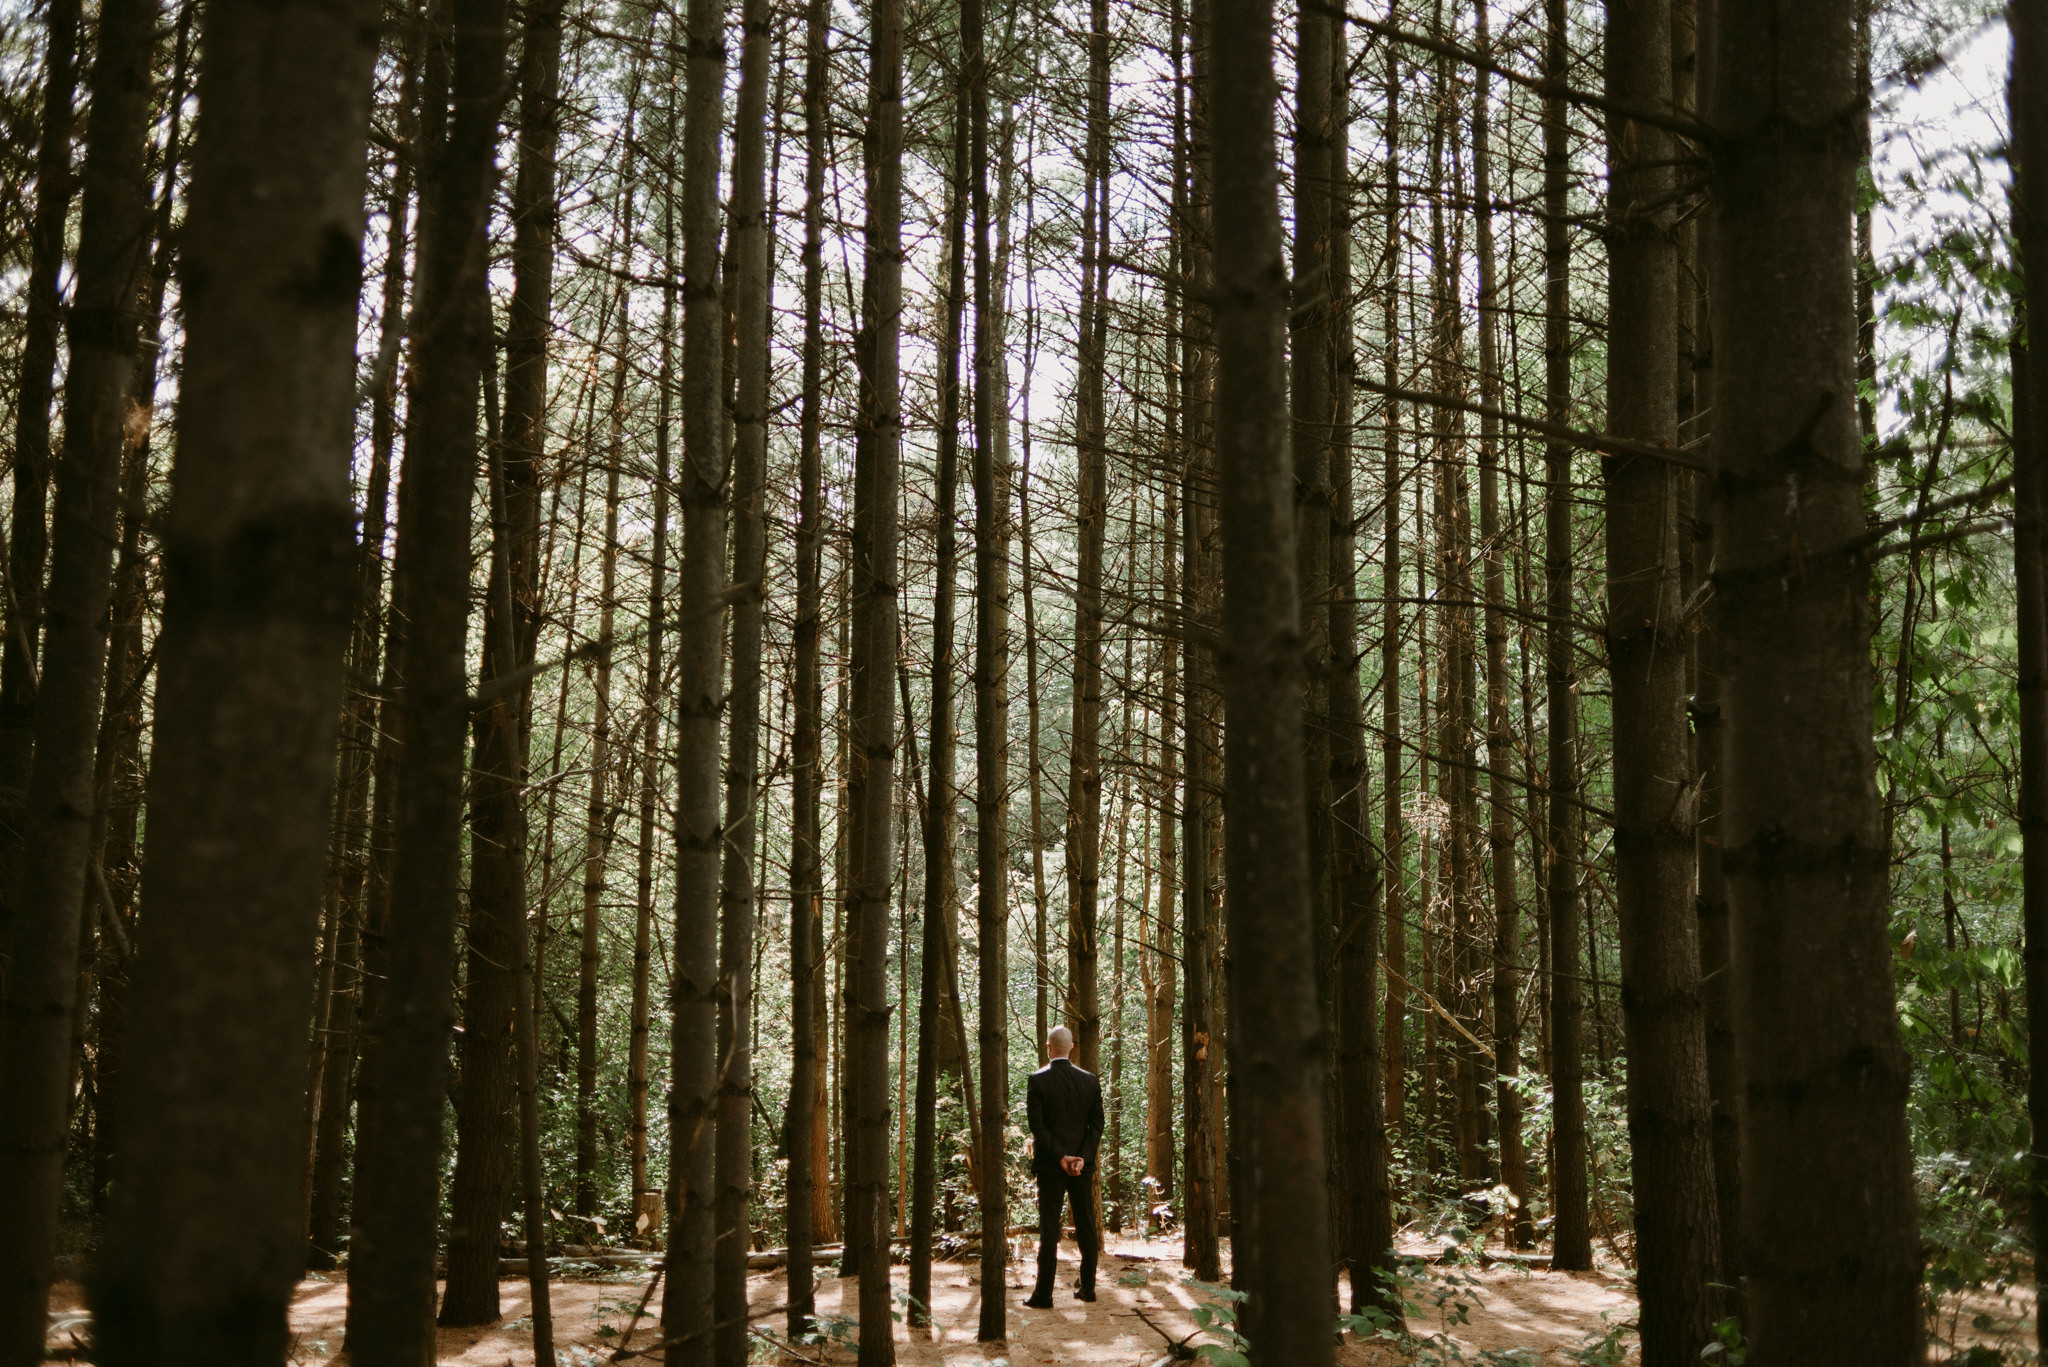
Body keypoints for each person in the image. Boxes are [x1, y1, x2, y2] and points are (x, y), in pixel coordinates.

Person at [1022, 1025, 1104, 1308]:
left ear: (1048, 1047)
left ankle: (1043, 1295)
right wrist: (1081, 1157)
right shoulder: (1091, 1081)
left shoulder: (1037, 1080)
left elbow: (1038, 1126)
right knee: (1086, 1226)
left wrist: (1059, 1157)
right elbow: (1097, 1126)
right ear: (1072, 1047)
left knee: (1048, 1228)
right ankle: (1088, 1289)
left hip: (1050, 1166)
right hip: (1081, 1167)